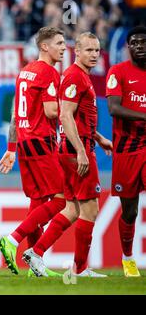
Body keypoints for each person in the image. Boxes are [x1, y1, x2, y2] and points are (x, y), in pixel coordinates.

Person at [23, 32, 112, 277]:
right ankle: (79, 268)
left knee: (72, 208)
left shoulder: (81, 77)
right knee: (90, 208)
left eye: (97, 50)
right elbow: (64, 116)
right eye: (89, 50)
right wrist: (82, 151)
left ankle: (36, 252)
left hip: (78, 146)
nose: (94, 55)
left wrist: (98, 137)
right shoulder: (74, 76)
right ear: (78, 52)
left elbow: (78, 117)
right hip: (76, 151)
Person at [0, 26, 67, 276]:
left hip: (25, 142)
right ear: (44, 46)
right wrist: (72, 108)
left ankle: (35, 263)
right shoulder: (49, 73)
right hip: (42, 140)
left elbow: (16, 114)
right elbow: (50, 112)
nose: (63, 47)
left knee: (38, 201)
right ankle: (13, 240)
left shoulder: (24, 73)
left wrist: (11, 149)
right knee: (61, 199)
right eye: (59, 43)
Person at [106, 25, 146, 277]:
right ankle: (128, 258)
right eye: (135, 42)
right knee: (129, 210)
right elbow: (113, 108)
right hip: (127, 148)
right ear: (128, 46)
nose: (140, 46)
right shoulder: (118, 72)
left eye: (144, 42)